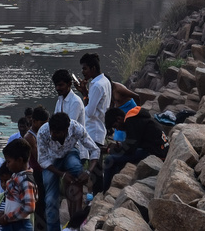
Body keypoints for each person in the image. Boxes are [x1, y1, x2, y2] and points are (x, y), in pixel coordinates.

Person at [37, 113, 98, 231]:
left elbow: (94, 150)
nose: (52, 134)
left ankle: (76, 221)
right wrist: (62, 174)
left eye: (56, 132)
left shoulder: (76, 128)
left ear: (66, 130)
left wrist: (88, 172)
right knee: (50, 200)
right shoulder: (43, 132)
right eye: (52, 131)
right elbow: (42, 160)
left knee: (77, 169)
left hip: (70, 153)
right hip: (51, 161)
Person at [101, 105, 170, 191]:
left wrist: (111, 150)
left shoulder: (131, 121)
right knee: (118, 160)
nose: (117, 130)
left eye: (115, 126)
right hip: (161, 150)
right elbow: (133, 143)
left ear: (119, 119)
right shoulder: (138, 118)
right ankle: (112, 187)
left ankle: (104, 191)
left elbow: (130, 149)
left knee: (110, 159)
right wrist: (121, 147)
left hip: (155, 154)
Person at [80, 52, 111, 193]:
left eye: (85, 68)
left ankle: (99, 196)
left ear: (93, 68)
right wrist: (85, 92)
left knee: (95, 167)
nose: (83, 72)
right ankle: (99, 194)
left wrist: (81, 107)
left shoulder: (97, 86)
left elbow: (90, 112)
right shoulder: (104, 82)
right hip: (99, 127)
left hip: (94, 129)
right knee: (97, 166)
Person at [0, 139, 38, 231]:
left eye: (8, 162)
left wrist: (7, 217)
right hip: (12, 224)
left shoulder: (26, 181)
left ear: (19, 160)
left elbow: (29, 207)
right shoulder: (16, 176)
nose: (7, 165)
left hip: (19, 225)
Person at [24, 107, 48, 231]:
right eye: (42, 123)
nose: (45, 126)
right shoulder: (30, 137)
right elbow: (39, 157)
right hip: (37, 173)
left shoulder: (40, 133)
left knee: (44, 203)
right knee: (40, 204)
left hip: (43, 171)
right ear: (34, 121)